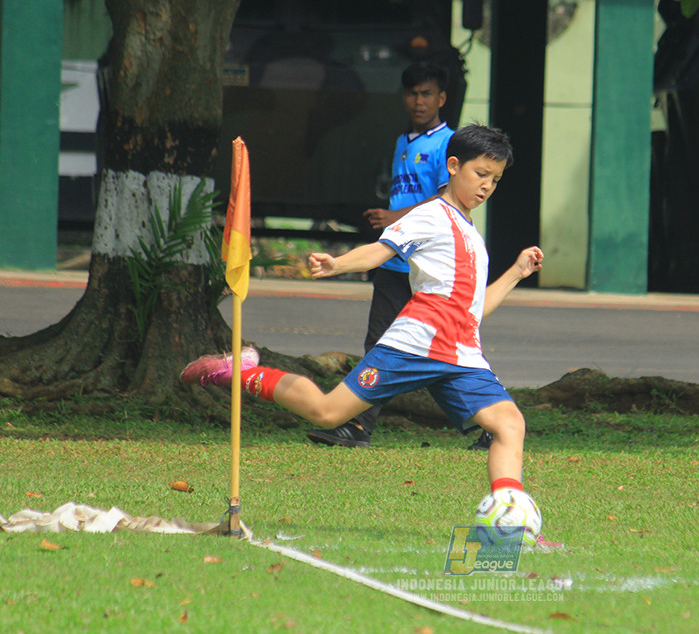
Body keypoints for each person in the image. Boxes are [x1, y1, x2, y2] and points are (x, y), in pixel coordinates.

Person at [181, 125, 547, 538]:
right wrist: (338, 264)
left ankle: (509, 526)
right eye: (480, 174)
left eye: (495, 180)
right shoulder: (430, 215)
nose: (487, 186)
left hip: (462, 356)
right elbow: (380, 250)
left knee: (509, 424)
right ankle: (243, 371)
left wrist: (515, 273)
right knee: (326, 412)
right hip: (414, 345)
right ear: (453, 166)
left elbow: (474, 311)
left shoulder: (473, 236)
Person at [307, 61, 490, 451]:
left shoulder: (450, 144)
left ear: (442, 98)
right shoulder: (403, 142)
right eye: (411, 94)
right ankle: (357, 425)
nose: (418, 102)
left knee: (455, 348)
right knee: (379, 343)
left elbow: (445, 200)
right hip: (396, 263)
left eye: (427, 94)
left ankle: (489, 422)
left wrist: (394, 217)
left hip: (434, 269)